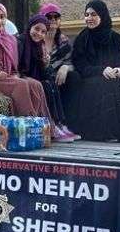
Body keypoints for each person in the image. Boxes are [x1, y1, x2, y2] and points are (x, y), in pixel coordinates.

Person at [0, 2, 53, 121]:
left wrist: (14, 74)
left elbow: (13, 66)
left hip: (6, 78)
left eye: (2, 17)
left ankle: (43, 125)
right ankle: (27, 125)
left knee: (36, 85)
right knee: (21, 85)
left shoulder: (10, 39)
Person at [63, 0, 120, 142]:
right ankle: (104, 134)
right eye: (87, 15)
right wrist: (101, 70)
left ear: (102, 15)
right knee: (103, 83)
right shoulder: (83, 39)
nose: (89, 18)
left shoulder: (115, 38)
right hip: (89, 79)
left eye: (93, 14)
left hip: (113, 77)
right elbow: (80, 65)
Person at [18, 14, 79, 142]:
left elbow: (45, 73)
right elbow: (17, 66)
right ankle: (53, 125)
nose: (39, 33)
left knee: (51, 83)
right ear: (30, 27)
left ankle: (60, 123)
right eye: (36, 29)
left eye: (43, 32)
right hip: (22, 79)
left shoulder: (40, 47)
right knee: (45, 85)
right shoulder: (21, 41)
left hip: (35, 78)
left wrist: (46, 64)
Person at [38, 3, 74, 88]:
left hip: (58, 81)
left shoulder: (64, 42)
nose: (53, 19)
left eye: (56, 16)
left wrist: (66, 67)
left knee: (74, 77)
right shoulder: (36, 38)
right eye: (49, 17)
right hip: (39, 78)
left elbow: (72, 62)